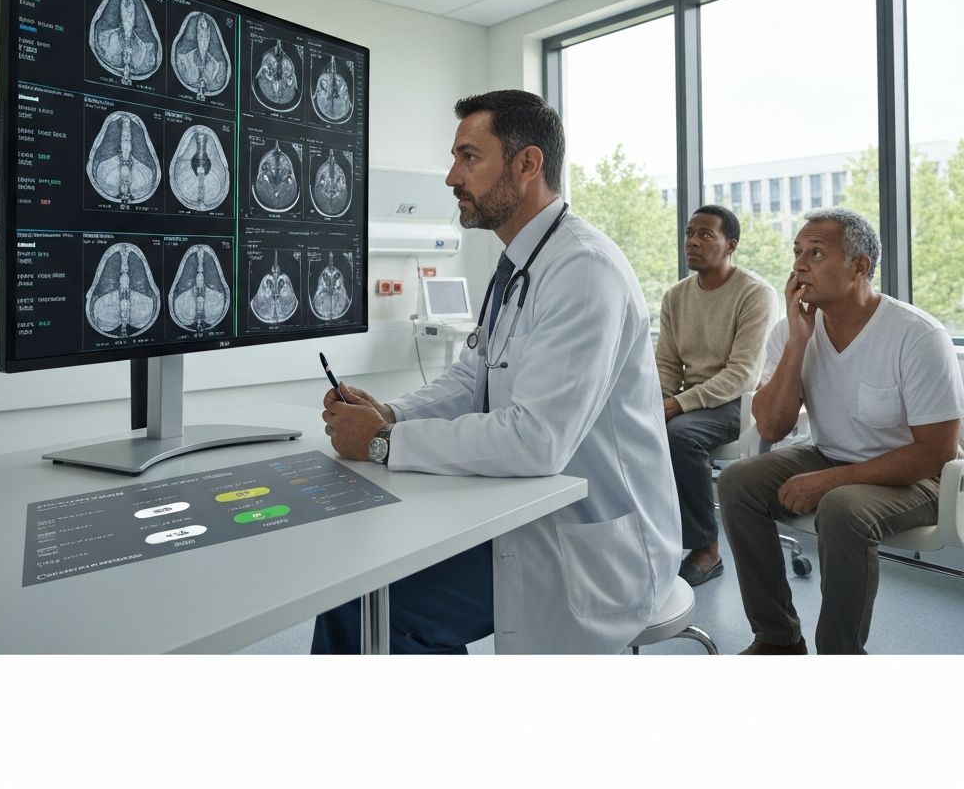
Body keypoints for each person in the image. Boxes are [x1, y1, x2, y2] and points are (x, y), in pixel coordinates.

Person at [313, 89, 682, 654]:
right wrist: (391, 413)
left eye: (468, 157)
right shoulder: (518, 265)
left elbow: (537, 441)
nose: (450, 177)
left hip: (592, 543)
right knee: (358, 589)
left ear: (527, 164)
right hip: (529, 515)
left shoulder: (584, 269)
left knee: (369, 607)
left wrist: (385, 442)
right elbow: (473, 378)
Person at [718, 208, 964, 654]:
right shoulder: (791, 331)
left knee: (841, 507)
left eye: (815, 253)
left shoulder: (917, 336)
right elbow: (772, 425)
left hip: (918, 476)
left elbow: (937, 453)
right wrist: (797, 343)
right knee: (737, 481)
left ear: (859, 267)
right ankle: (777, 637)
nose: (798, 265)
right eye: (797, 253)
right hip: (831, 454)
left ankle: (840, 657)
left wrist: (830, 480)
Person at [656, 205, 776, 587]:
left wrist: (676, 406)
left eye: (706, 234)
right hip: (692, 400)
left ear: (731, 245)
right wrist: (655, 404)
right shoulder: (675, 297)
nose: (692, 241)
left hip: (738, 404)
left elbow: (743, 375)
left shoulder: (755, 294)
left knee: (681, 435)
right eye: (690, 233)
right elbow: (667, 365)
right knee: (631, 426)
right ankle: (653, 537)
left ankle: (706, 549)